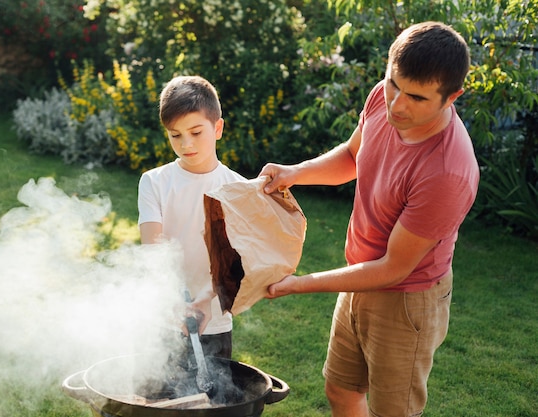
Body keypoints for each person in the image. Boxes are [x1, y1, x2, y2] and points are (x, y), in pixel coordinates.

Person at [259, 22, 479, 416]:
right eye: (394, 83)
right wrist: (295, 172)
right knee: (341, 391)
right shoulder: (382, 96)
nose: (397, 104)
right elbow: (351, 156)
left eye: (416, 97)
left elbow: (393, 269)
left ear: (452, 97)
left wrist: (298, 285)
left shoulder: (447, 171)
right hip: (359, 276)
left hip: (407, 299)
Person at [138, 75, 245, 359]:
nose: (186, 144)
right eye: (176, 135)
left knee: (211, 401)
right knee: (157, 401)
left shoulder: (237, 189)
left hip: (213, 320)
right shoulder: (154, 182)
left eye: (196, 132)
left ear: (218, 128)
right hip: (163, 318)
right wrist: (173, 302)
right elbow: (153, 251)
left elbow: (238, 261)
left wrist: (206, 299)